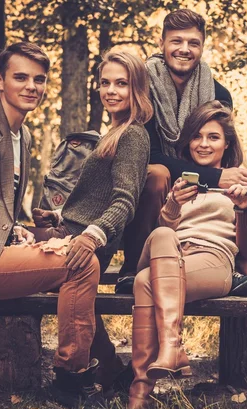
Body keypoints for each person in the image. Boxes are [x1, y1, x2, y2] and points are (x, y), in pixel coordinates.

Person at [0, 44, 151, 407]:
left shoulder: (25, 135)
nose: (31, 86)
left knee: (81, 264)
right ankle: (73, 379)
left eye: (39, 79)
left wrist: (15, 230)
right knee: (81, 267)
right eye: (20, 77)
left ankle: (103, 370)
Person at [118, 9, 247, 294]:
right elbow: (149, 156)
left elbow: (222, 143)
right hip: (157, 178)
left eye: (193, 43)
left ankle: (238, 270)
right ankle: (134, 267)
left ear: (202, 46)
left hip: (200, 172)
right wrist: (217, 177)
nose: (184, 49)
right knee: (157, 174)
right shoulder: (143, 89)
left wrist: (232, 180)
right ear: (161, 43)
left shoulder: (219, 94)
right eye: (176, 41)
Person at [127, 100, 247, 409]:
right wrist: (173, 203)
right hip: (170, 254)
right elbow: (163, 229)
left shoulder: (243, 184)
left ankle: (139, 396)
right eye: (197, 136)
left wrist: (242, 209)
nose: (204, 144)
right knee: (162, 234)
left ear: (226, 144)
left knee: (145, 282)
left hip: (212, 261)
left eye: (213, 137)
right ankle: (172, 345)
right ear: (188, 142)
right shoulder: (179, 182)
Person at [31, 50, 154, 391]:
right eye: (105, 83)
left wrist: (92, 236)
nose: (111, 91)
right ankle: (112, 370)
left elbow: (124, 200)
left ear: (137, 89)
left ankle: (74, 377)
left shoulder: (133, 135)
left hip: (83, 245)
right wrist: (56, 214)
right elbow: (94, 198)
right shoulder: (113, 132)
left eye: (121, 83)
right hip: (66, 232)